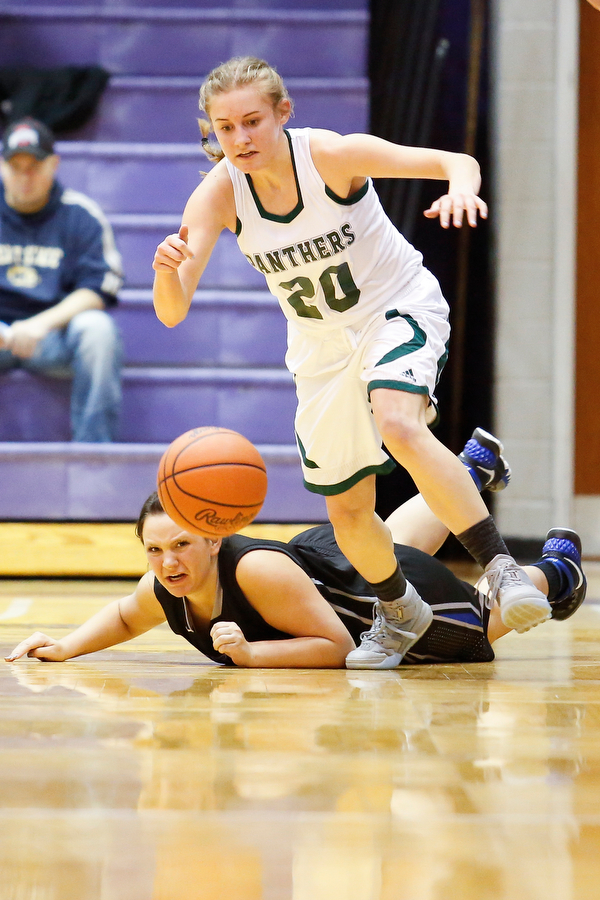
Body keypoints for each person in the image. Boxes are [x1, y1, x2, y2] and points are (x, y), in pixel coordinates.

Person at [152, 56, 552, 669]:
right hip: (319, 344)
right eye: (224, 128)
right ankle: (398, 612)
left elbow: (455, 161)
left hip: (395, 307)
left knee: (397, 422)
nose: (240, 139)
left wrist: (462, 187)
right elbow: (172, 312)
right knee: (348, 508)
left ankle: (502, 568)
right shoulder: (218, 194)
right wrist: (167, 271)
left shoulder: (330, 156)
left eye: (253, 121)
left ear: (283, 113)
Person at [4, 430, 587, 669]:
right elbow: (129, 616)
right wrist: (65, 647)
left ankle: (557, 573)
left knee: (484, 621)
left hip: (369, 606)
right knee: (387, 536)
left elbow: (335, 646)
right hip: (328, 559)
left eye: (180, 545)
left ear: (213, 537)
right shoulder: (168, 579)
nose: (168, 562)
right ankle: (464, 474)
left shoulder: (253, 571)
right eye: (154, 551)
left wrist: (252, 657)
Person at [0, 117, 123, 442]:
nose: (25, 177)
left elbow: (99, 288)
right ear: (1, 166)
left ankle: (93, 456)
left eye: (34, 166)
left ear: (53, 164)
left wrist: (41, 324)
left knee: (98, 330)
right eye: (16, 167)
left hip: (52, 337)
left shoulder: (81, 215)